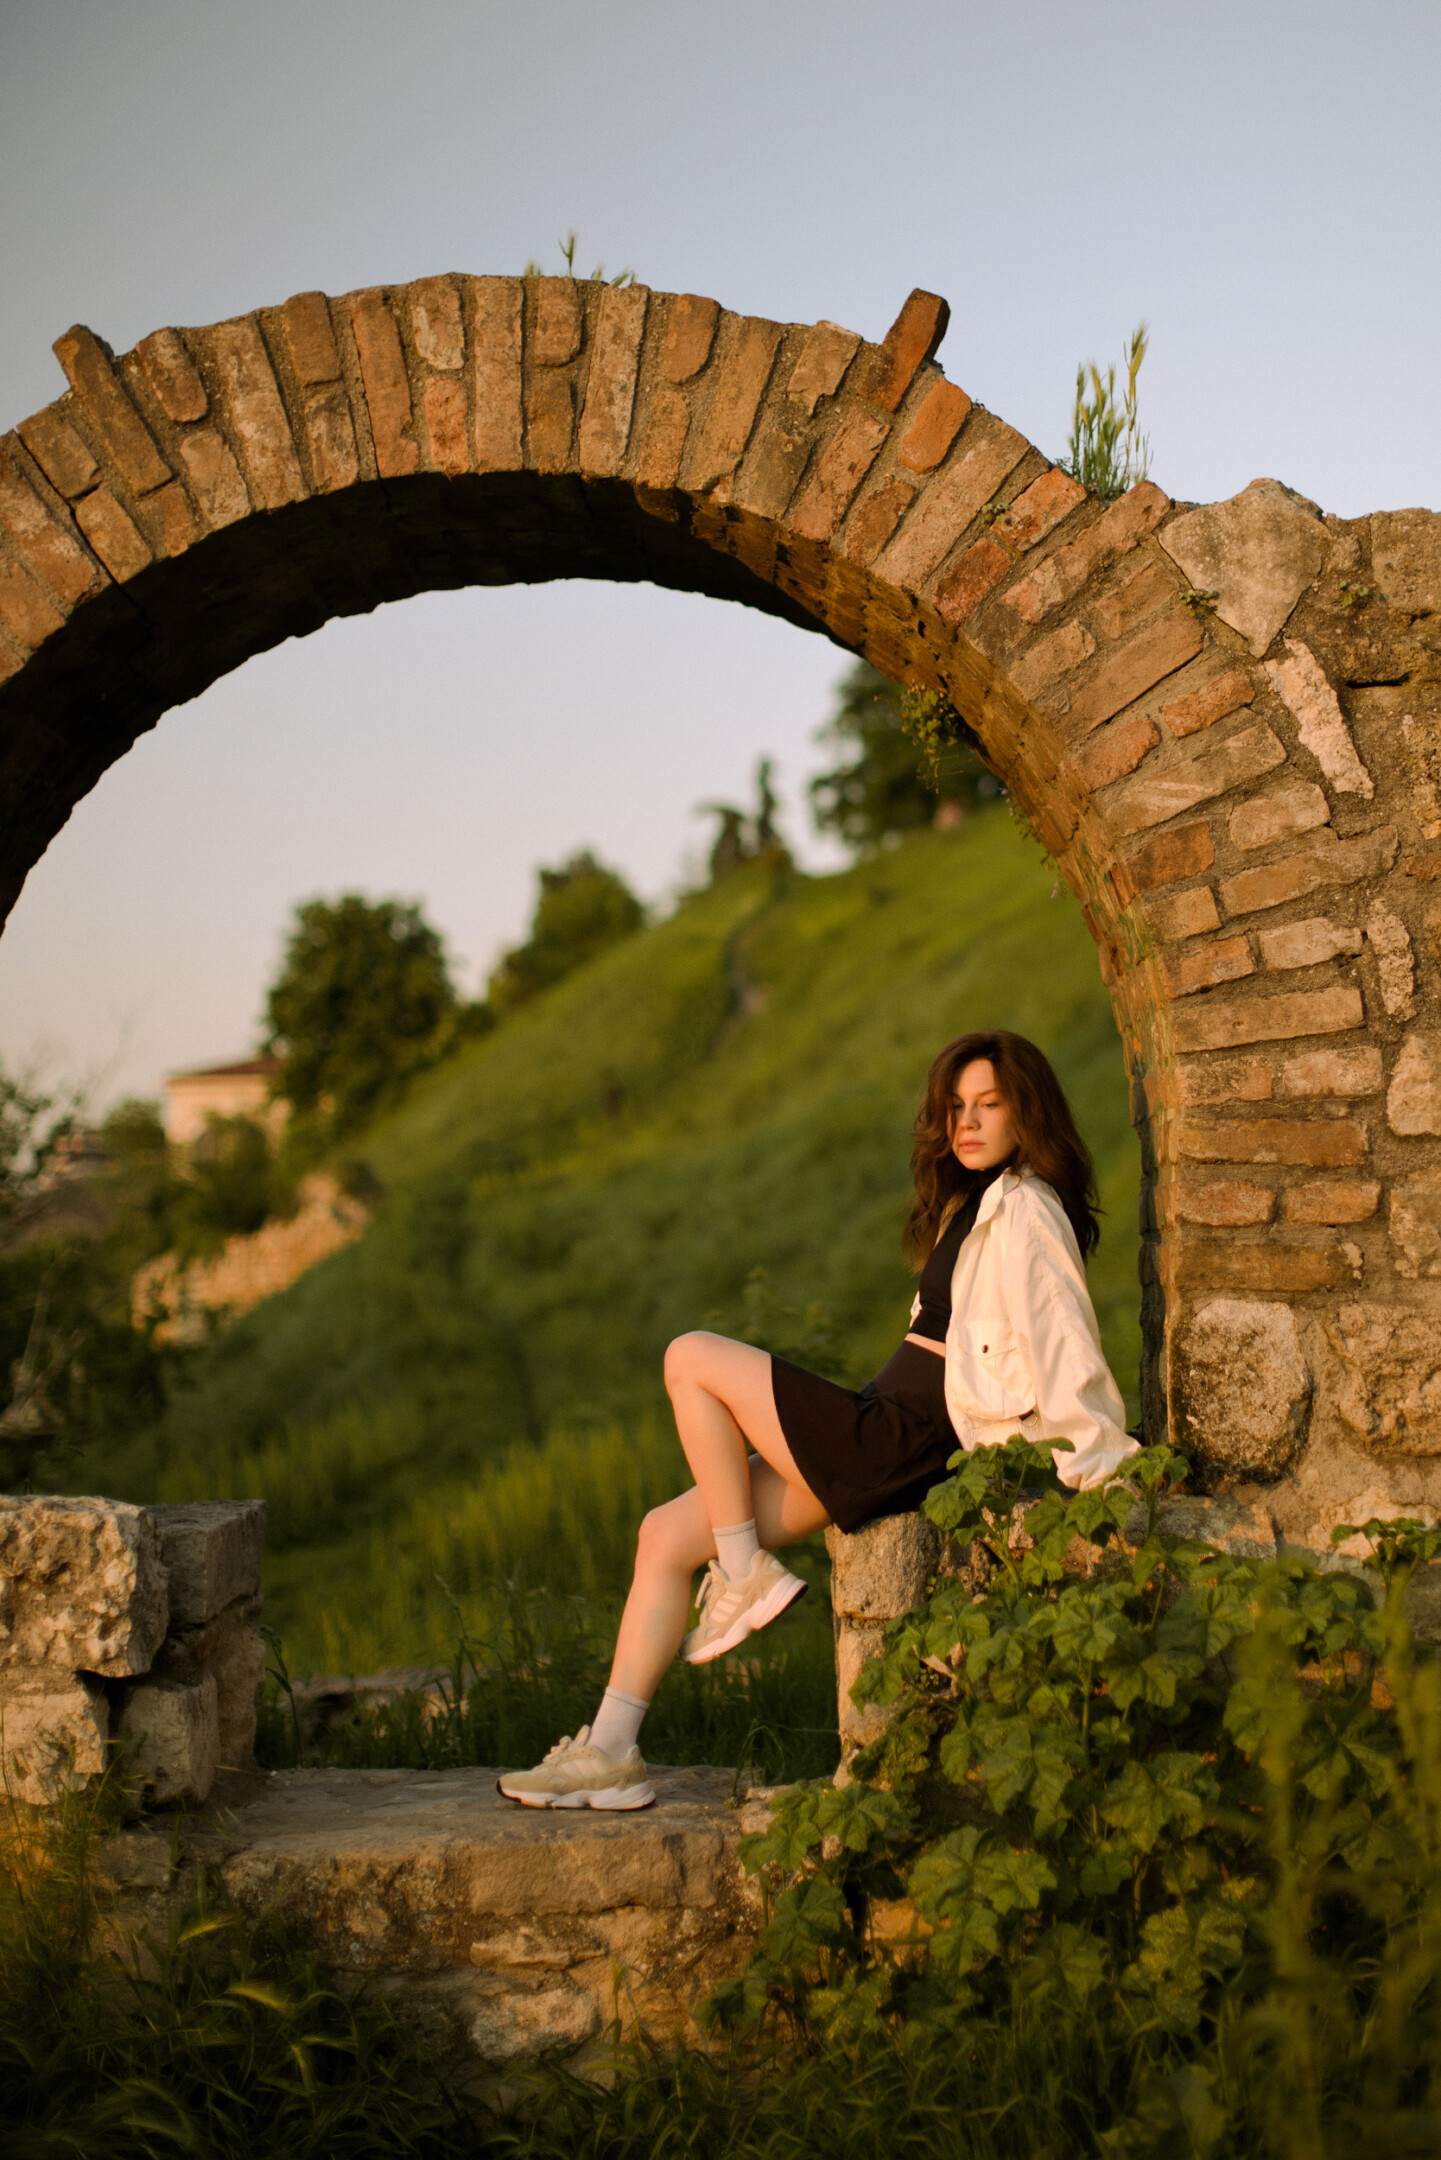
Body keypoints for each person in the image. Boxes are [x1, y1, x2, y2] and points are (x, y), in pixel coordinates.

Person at [498, 1029, 1138, 1812]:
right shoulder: (970, 1203)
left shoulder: (1027, 1206)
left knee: (689, 1356)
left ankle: (744, 1573)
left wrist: (1102, 1468)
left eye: (987, 1105)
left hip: (902, 1442)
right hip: (883, 1427)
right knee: (663, 1536)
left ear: (1024, 1112)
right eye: (953, 1107)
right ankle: (608, 1754)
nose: (965, 1123)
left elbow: (1063, 1338)